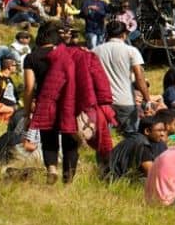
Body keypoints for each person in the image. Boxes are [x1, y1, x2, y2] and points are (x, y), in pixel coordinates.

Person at [28, 22, 116, 184]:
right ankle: (67, 181)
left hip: (46, 101)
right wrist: (101, 98)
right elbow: (94, 76)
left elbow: (28, 87)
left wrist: (28, 111)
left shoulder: (33, 57)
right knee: (70, 143)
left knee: (48, 138)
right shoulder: (76, 54)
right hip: (69, 104)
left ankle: (52, 169)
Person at [94, 19, 152, 136]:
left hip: (103, 101)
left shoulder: (95, 51)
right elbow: (139, 78)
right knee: (131, 137)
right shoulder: (131, 51)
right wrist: (147, 99)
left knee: (104, 139)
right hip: (125, 101)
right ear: (124, 34)